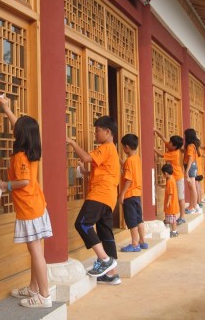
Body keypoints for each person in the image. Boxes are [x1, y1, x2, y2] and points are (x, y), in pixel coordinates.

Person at [0, 96, 53, 308]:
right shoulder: (32, 150)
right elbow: (19, 126)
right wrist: (6, 109)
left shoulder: (20, 156)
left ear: (20, 135)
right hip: (37, 206)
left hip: (29, 209)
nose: (14, 130)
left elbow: (24, 181)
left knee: (36, 253)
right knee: (36, 252)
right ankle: (33, 289)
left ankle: (44, 296)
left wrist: (5, 185)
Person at [67, 116, 121, 285]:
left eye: (97, 130)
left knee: (82, 223)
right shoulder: (112, 150)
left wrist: (71, 142)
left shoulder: (106, 147)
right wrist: (86, 173)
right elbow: (103, 171)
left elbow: (86, 158)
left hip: (100, 194)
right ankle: (112, 274)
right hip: (109, 196)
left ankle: (105, 259)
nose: (95, 134)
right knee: (105, 233)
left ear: (107, 131)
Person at [119, 134, 147, 252]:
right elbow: (127, 168)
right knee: (139, 218)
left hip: (129, 194)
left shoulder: (129, 161)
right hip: (137, 194)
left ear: (127, 147)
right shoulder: (136, 158)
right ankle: (142, 241)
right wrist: (119, 160)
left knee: (131, 220)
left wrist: (122, 194)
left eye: (123, 147)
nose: (123, 149)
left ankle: (134, 244)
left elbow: (129, 179)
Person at [154, 129, 186, 225]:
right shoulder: (172, 146)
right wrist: (155, 130)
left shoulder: (174, 153)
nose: (169, 143)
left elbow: (161, 155)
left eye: (171, 143)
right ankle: (170, 218)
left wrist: (153, 148)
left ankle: (182, 217)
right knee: (172, 198)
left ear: (175, 146)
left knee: (180, 198)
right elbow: (163, 138)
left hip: (178, 177)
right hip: (172, 178)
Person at [183, 128, 201, 213]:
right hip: (192, 166)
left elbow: (190, 159)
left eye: (185, 135)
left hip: (190, 167)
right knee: (192, 187)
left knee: (192, 187)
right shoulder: (193, 145)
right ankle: (194, 205)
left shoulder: (190, 146)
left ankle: (192, 206)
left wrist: (186, 171)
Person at [162, 164, 179, 237]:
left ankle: (174, 231)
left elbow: (170, 193)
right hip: (173, 202)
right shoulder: (173, 179)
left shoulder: (169, 181)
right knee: (172, 218)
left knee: (172, 219)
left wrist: (168, 202)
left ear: (166, 173)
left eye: (163, 174)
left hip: (171, 203)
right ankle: (173, 230)